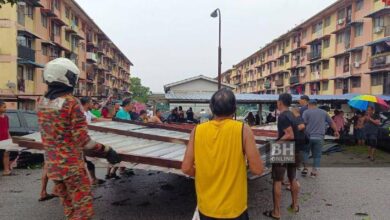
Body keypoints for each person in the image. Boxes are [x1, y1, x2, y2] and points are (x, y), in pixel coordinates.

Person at [37, 58, 121, 219]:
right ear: (67, 78)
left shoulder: (42, 101)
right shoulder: (71, 103)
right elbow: (84, 142)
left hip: (53, 168)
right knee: (83, 213)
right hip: (71, 169)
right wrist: (107, 150)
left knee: (69, 210)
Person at [182, 88, 263, 220]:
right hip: (234, 209)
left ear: (211, 108)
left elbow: (186, 168)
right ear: (234, 108)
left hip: (207, 208)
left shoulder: (197, 131)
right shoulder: (243, 130)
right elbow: (257, 169)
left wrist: (203, 173)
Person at [263, 93, 300, 219]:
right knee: (292, 178)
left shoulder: (283, 116)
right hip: (295, 148)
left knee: (277, 180)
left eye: (277, 102)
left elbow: (289, 134)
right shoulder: (293, 115)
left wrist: (276, 144)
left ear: (280, 102)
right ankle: (295, 206)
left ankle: (276, 212)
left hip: (284, 148)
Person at [301, 99, 339, 177]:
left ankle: (305, 169)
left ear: (309, 104)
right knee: (317, 155)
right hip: (319, 137)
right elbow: (331, 123)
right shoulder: (324, 112)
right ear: (316, 104)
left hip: (307, 137)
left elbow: (302, 124)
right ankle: (314, 173)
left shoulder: (306, 112)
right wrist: (336, 131)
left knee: (305, 152)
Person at [0, 99, 12, 176]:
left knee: (6, 154)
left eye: (5, 107)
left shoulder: (6, 117)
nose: (5, 108)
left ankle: (6, 170)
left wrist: (10, 137)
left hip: (5, 138)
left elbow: (7, 129)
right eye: (4, 107)